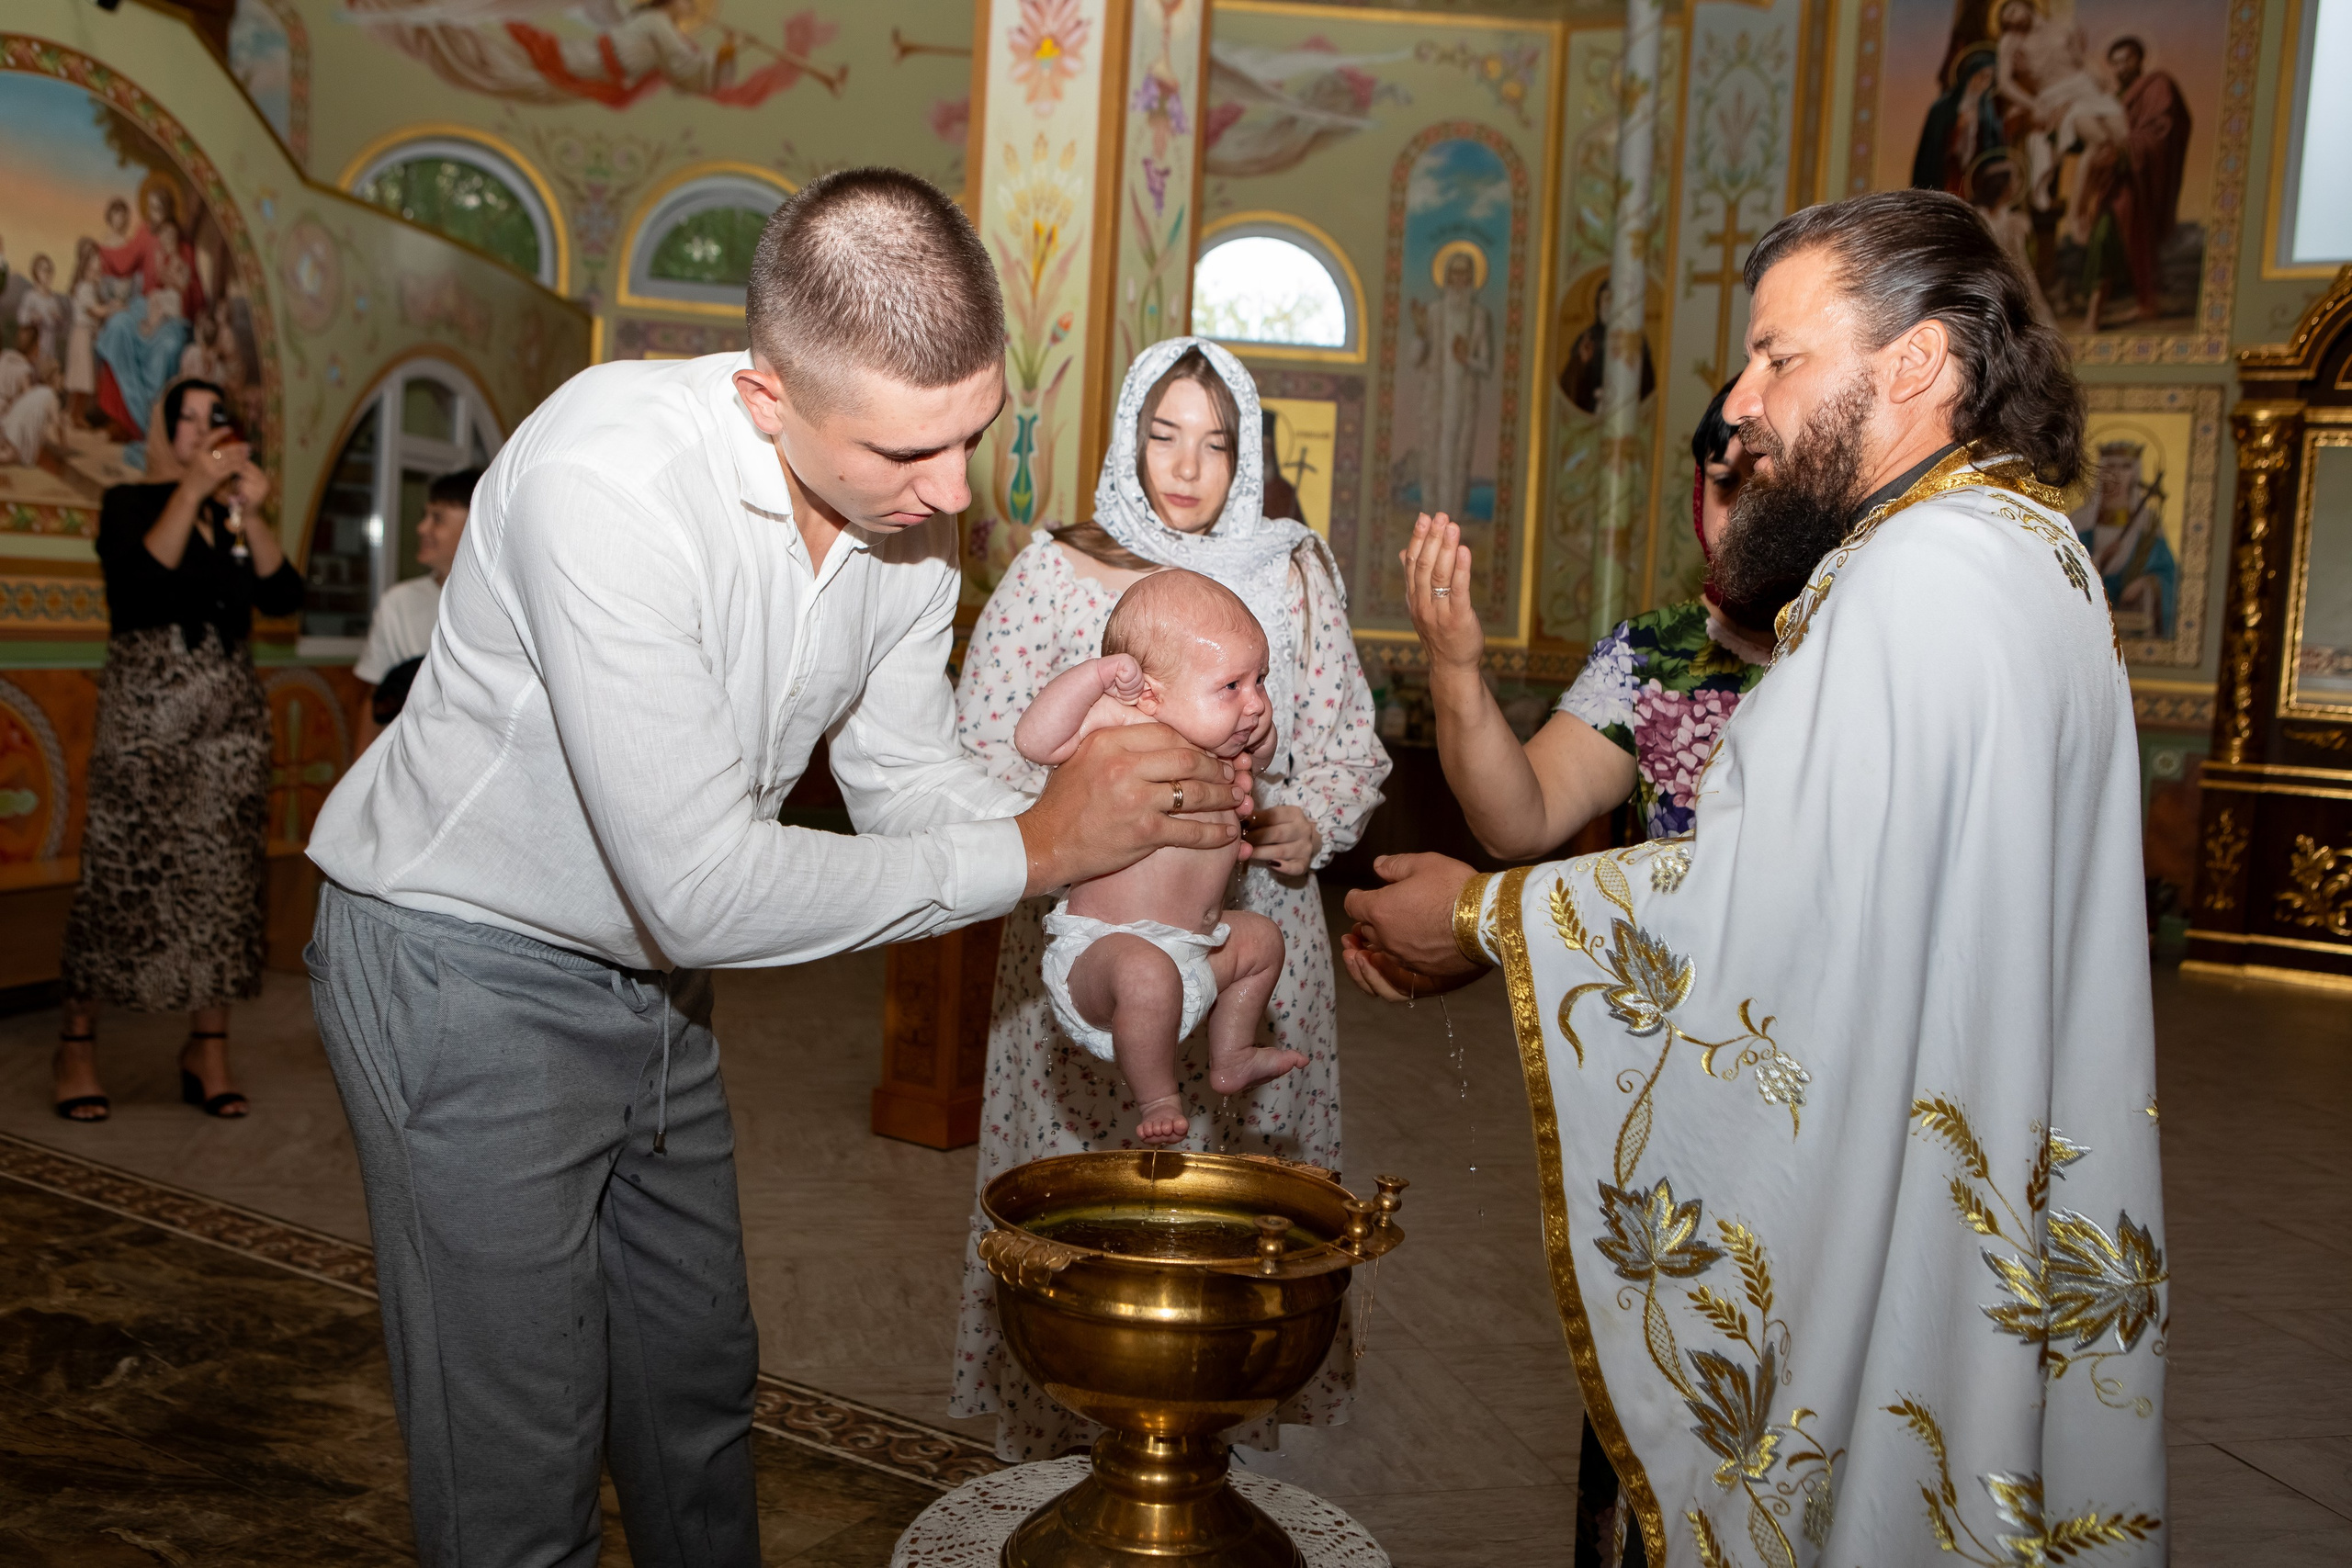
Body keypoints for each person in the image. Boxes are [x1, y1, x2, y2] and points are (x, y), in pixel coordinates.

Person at [302, 169, 1252, 1567]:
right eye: (906, 452)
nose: (952, 492)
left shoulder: (906, 518)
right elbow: (699, 883)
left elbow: (903, 782)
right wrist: (1040, 842)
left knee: (694, 1384)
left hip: (654, 981)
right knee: (521, 1449)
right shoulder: (607, 485)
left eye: (975, 433)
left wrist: (1112, 826)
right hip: (462, 967)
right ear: (767, 399)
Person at [1342, 189, 2165, 1566]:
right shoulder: (2022, 553)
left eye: (1780, 355)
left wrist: (1478, 917)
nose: (1739, 401)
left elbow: (1785, 911)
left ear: (1917, 361)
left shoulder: (1919, 580)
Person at [951, 336, 1388, 1461]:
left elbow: (1347, 747)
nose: (1187, 467)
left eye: (1216, 443)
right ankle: (1068, 1459)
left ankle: (1202, 1462)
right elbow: (984, 745)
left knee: (1229, 1238)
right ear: (1124, 440)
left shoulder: (1292, 570)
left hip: (1248, 919)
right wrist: (1082, 813)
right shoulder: (1057, 569)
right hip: (1092, 927)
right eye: (1162, 435)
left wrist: (1305, 820)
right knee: (1082, 1229)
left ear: (1247, 455)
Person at [51, 378, 298, 1123]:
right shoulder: (129, 502)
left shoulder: (230, 515)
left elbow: (283, 596)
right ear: (161, 430)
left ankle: (207, 1050)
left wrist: (250, 512)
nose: (199, 430)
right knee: (118, 875)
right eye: (183, 418)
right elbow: (140, 584)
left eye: (210, 418)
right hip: (147, 718)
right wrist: (190, 489)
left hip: (229, 723)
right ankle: (76, 1047)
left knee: (224, 883)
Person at [1017, 570, 1300, 1142]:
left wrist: (1258, 725)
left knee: (1263, 940)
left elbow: (1267, 753)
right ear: (1150, 693)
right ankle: (1158, 1099)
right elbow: (1035, 740)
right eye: (1232, 685)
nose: (1254, 703)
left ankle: (1233, 1055)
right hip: (1105, 954)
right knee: (1147, 974)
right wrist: (1093, 678)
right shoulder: (1126, 719)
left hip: (1196, 953)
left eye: (1261, 680)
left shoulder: (1227, 740)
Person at [354, 466, 480, 748]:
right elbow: (374, 700)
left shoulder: (503, 604)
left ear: (475, 524)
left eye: (437, 518)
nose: (422, 528)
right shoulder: (398, 603)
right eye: (426, 516)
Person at [2075, 36, 2192, 331]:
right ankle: (2137, 304)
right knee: (2105, 237)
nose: (2121, 67)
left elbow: (2162, 130)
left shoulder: (2157, 85)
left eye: (2126, 59)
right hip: (2114, 181)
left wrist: (2126, 150)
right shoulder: (2112, 98)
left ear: (2140, 59)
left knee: (2109, 235)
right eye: (2115, 62)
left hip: (2137, 180)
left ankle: (2105, 314)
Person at [1412, 249, 1493, 518]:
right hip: (1436, 398)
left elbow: (1486, 364)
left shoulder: (1478, 315)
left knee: (1456, 459)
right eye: (1455, 273)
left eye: (1465, 274)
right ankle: (1429, 518)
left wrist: (1465, 358)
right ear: (1447, 277)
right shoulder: (1434, 312)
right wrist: (1420, 333)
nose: (1459, 279)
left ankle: (1450, 521)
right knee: (1432, 458)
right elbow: (1415, 358)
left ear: (1471, 278)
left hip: (1462, 399)